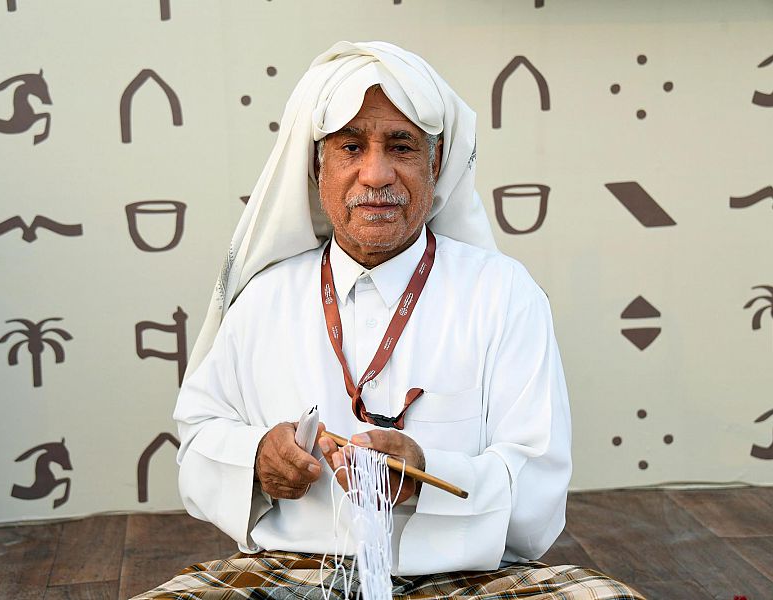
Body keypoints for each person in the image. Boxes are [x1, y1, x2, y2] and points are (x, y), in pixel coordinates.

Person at [134, 41, 644, 600]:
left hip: (472, 578)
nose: (375, 174)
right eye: (351, 146)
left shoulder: (504, 295)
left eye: (400, 146)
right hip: (293, 571)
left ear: (436, 163)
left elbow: (538, 493)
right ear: (318, 165)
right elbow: (199, 443)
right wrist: (256, 458)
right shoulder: (263, 299)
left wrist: (430, 476)